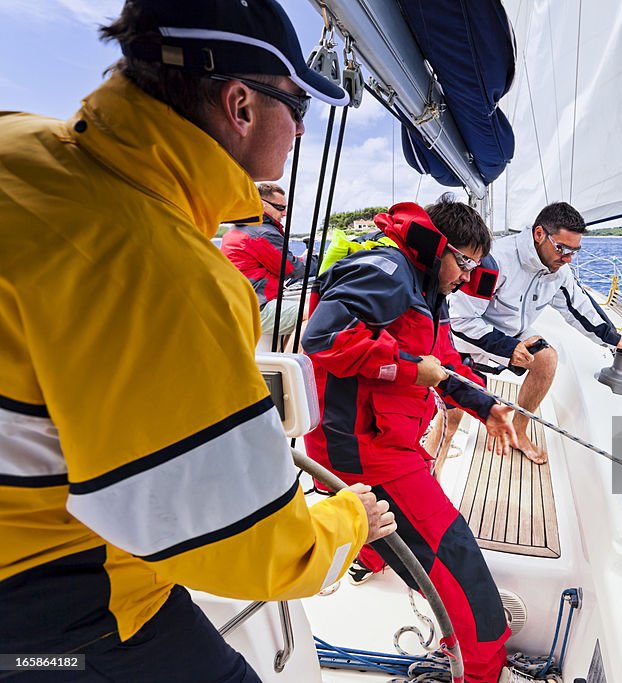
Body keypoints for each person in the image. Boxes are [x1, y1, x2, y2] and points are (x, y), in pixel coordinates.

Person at [0, 1, 394, 680]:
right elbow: (252, 546)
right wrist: (345, 521)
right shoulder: (161, 270)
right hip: (58, 610)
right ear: (240, 105)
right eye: (297, 109)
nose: (301, 131)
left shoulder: (20, 148)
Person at [302, 198, 518, 683]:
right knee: (453, 549)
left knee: (398, 530)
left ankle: (368, 555)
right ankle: (481, 669)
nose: (466, 277)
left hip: (383, 441)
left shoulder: (425, 286)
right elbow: (324, 337)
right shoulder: (387, 270)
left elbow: (442, 360)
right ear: (437, 246)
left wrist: (486, 407)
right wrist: (408, 367)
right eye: (463, 262)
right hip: (362, 449)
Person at [446, 201, 622, 464]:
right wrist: (507, 348)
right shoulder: (496, 261)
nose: (568, 258)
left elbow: (579, 307)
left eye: (575, 251)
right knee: (452, 413)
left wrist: (614, 338)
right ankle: (446, 439)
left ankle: (519, 430)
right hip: (468, 338)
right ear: (539, 234)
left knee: (547, 359)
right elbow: (460, 321)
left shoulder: (558, 271)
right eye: (562, 248)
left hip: (512, 333)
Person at [221, 182, 316, 339]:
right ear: (262, 205)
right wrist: (315, 261)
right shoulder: (263, 233)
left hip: (239, 305)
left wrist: (303, 259)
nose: (285, 213)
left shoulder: (238, 230)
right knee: (316, 313)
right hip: (256, 309)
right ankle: (293, 363)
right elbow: (295, 270)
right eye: (280, 208)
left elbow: (276, 262)